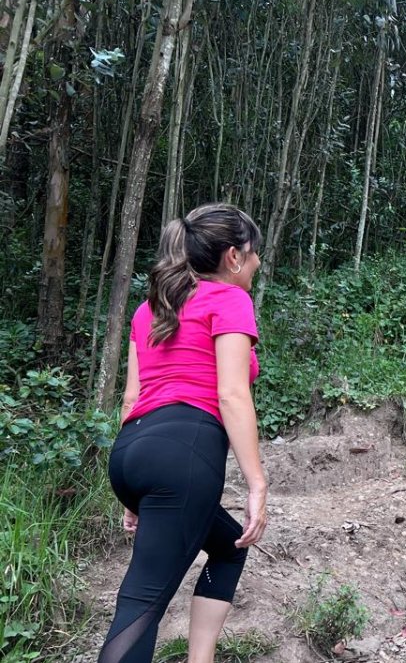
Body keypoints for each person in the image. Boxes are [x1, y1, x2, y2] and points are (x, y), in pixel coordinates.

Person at [100, 203, 269, 663]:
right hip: (184, 455)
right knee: (140, 605)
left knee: (229, 546)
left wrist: (134, 495)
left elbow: (131, 400)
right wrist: (257, 483)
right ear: (233, 257)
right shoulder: (230, 299)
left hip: (131, 453)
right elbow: (231, 394)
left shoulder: (149, 309)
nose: (258, 262)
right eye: (255, 252)